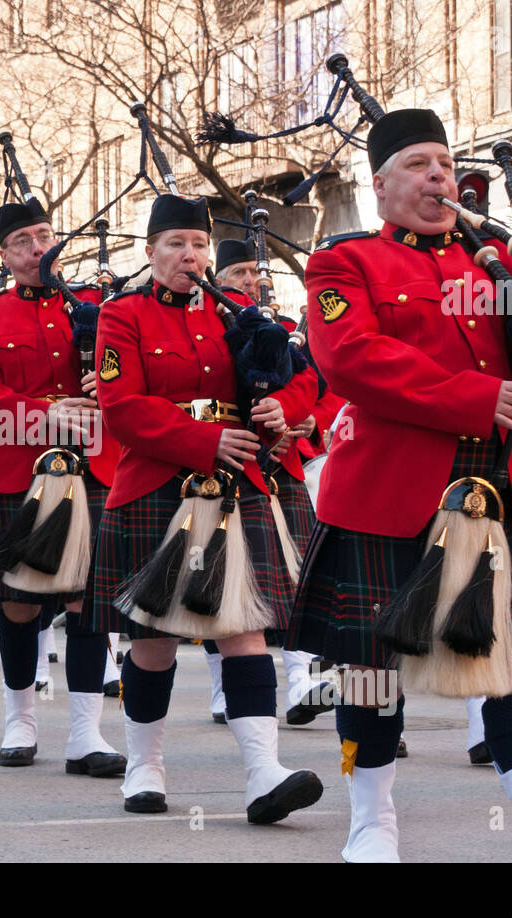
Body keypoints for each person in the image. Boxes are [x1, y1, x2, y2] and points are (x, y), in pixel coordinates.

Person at [287, 107, 512, 862]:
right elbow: (351, 358)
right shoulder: (346, 265)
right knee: (371, 674)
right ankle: (371, 823)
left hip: (489, 491)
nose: (438, 178)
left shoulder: (496, 267)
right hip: (385, 495)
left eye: (445, 164)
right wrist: (474, 398)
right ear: (380, 187)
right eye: (417, 165)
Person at [89, 193, 324, 822]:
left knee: (242, 627)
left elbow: (305, 376)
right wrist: (203, 440)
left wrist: (285, 408)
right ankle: (145, 764)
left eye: (197, 245)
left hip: (236, 482)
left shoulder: (244, 313)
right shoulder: (123, 316)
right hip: (157, 483)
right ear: (151, 253)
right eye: (175, 245)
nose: (188, 255)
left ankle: (262, 771)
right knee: (153, 640)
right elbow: (122, 405)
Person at [0, 195, 124, 775]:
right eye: (23, 240)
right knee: (18, 606)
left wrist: (106, 387)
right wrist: (47, 416)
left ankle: (85, 733)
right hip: (12, 474)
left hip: (92, 466)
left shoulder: (95, 307)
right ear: (5, 254)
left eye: (45, 235)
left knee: (86, 603)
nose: (38, 248)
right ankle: (20, 720)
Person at [209, 238, 334, 728]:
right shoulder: (210, 328)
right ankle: (222, 687)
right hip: (229, 464)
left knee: (295, 578)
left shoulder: (285, 332)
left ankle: (301, 678)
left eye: (253, 272)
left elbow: (320, 389)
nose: (249, 280)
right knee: (222, 579)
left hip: (284, 468)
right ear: (219, 279)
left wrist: (304, 420)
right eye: (237, 271)